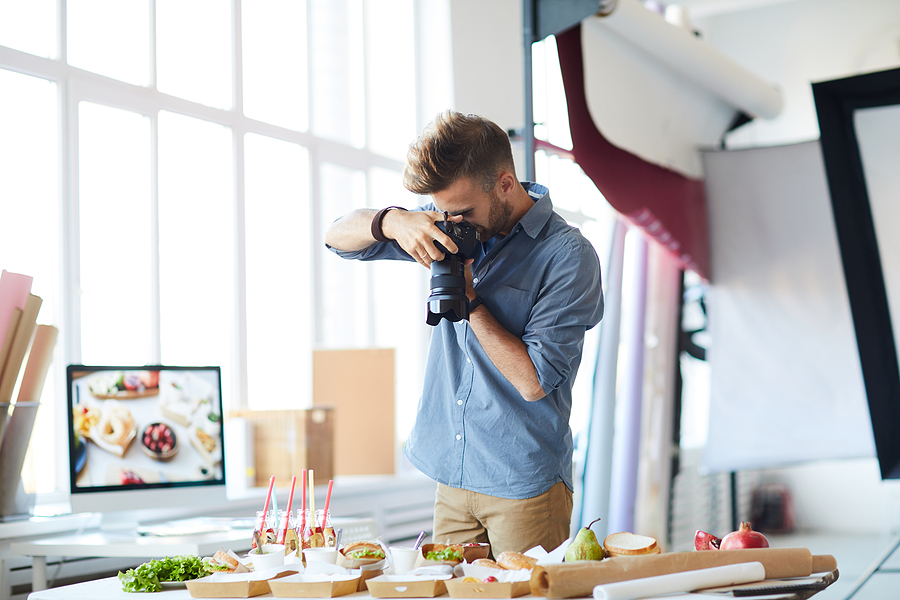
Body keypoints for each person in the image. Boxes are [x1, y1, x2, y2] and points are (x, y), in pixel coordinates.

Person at [325, 110, 603, 556]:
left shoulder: (568, 256)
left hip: (523, 485)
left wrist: (469, 300)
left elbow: (534, 382)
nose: (451, 223)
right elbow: (336, 236)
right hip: (451, 476)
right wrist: (394, 221)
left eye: (462, 211)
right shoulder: (447, 220)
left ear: (505, 184)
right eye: (440, 210)